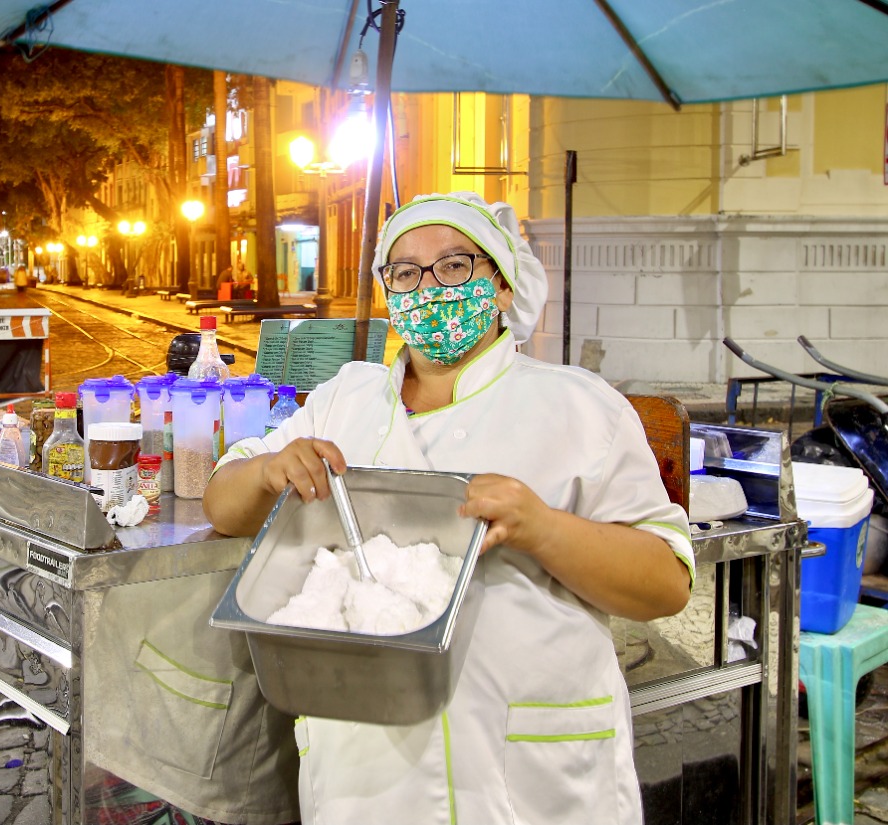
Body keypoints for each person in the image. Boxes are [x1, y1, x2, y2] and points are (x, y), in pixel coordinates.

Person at [203, 192, 694, 825]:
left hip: (527, 774)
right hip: (365, 774)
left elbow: (665, 584)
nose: (429, 287)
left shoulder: (579, 408)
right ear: (388, 291)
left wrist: (544, 529)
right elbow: (223, 502)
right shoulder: (345, 399)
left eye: (455, 266)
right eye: (405, 272)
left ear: (501, 285)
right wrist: (270, 472)